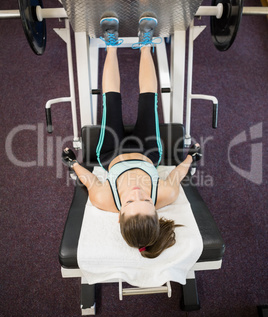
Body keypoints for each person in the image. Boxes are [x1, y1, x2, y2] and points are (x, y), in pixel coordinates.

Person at [62, 13, 202, 258]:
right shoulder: (167, 195)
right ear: (156, 210)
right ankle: (146, 44)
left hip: (111, 153)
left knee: (111, 102)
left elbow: (88, 180)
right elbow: (178, 175)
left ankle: (111, 44)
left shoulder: (103, 199)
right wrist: (191, 158)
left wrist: (73, 163)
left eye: (129, 203)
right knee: (149, 102)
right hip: (147, 153)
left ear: (119, 216)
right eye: (146, 201)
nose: (137, 192)